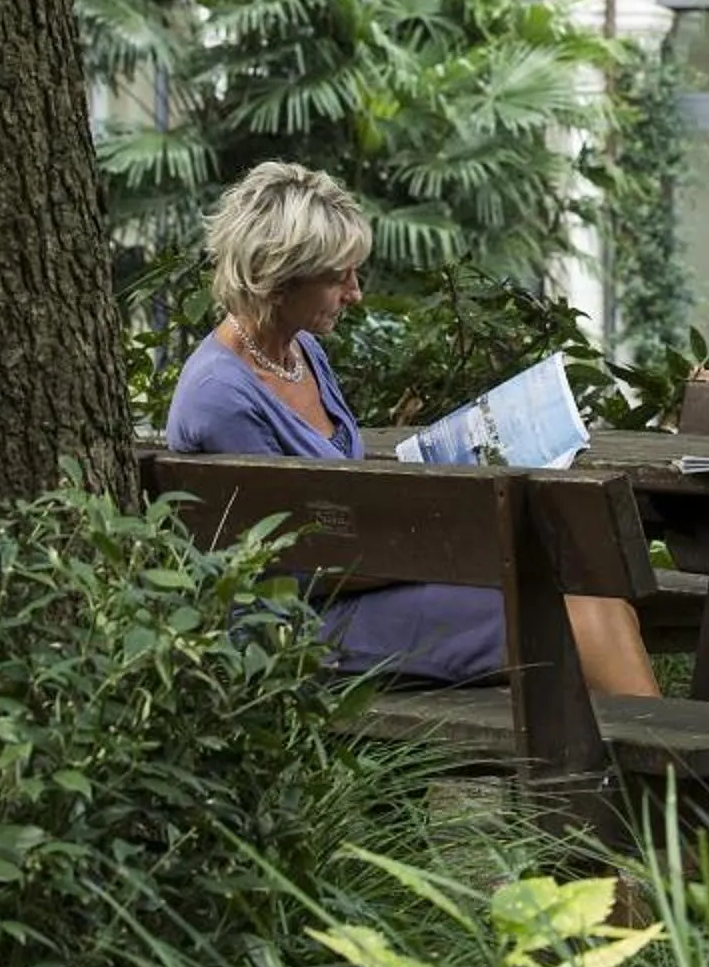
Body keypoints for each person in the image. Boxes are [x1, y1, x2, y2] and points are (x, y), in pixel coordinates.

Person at [164, 159, 659, 696]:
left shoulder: (300, 350)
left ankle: (639, 750)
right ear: (278, 280)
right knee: (575, 611)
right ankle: (662, 751)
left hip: (365, 582)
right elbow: (284, 566)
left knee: (592, 597)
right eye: (337, 278)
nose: (355, 293)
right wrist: (438, 544)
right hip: (298, 628)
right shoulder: (220, 395)